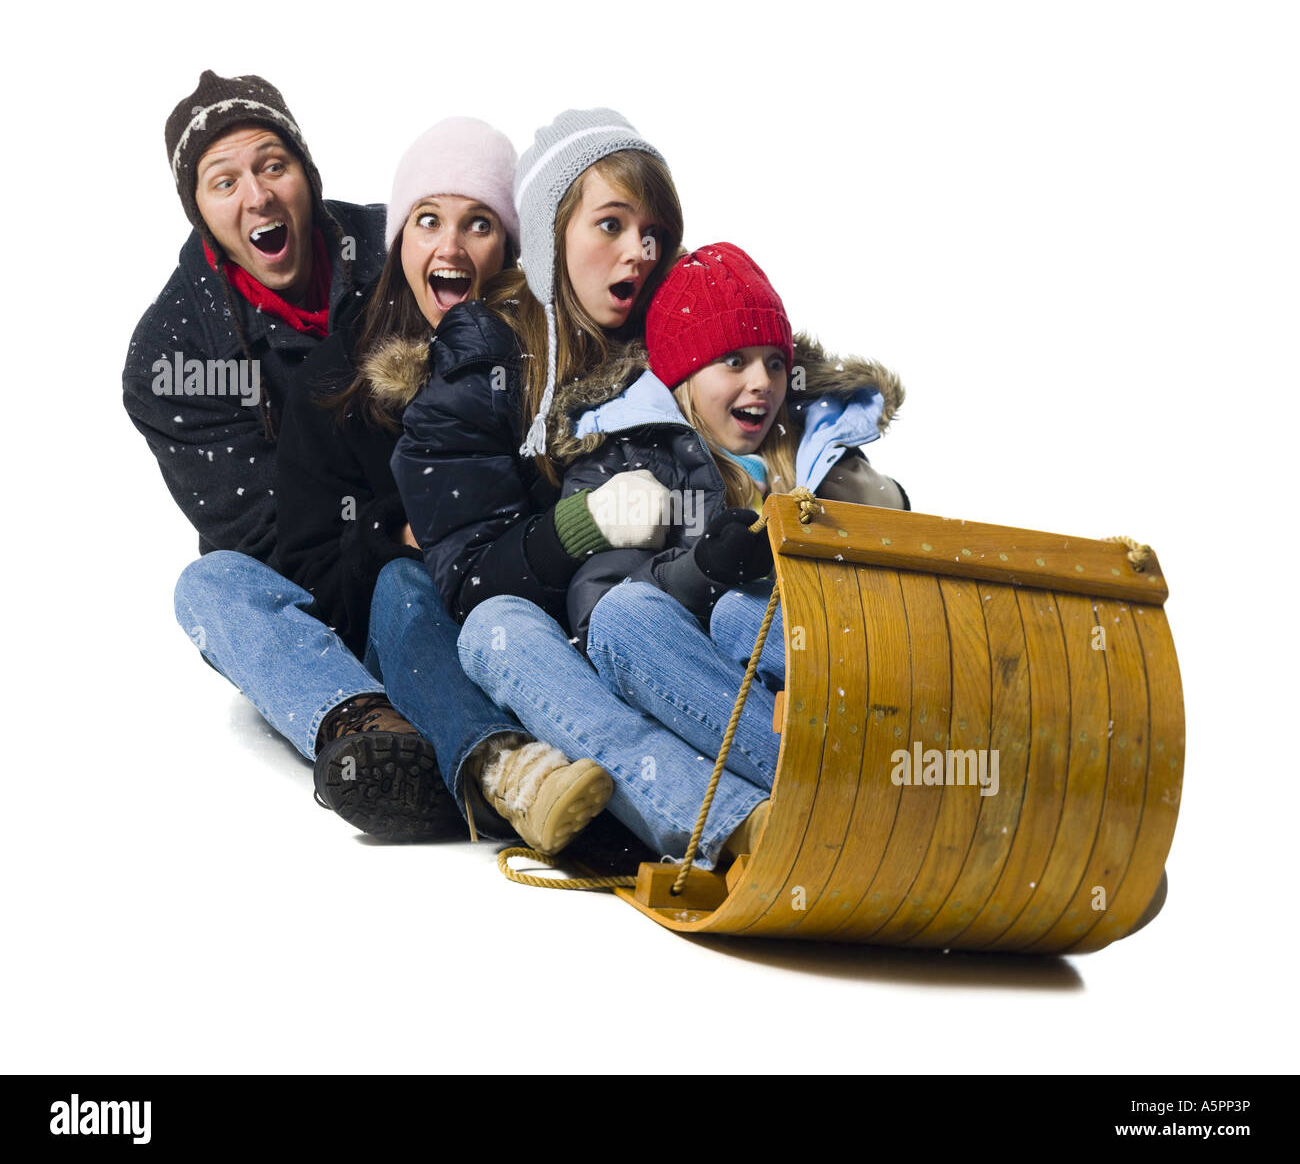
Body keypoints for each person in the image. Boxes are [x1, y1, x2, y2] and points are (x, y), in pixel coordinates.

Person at [455, 242, 909, 865]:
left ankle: (877, 781)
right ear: (683, 375)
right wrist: (705, 571)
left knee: (741, 616)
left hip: (838, 680)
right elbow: (598, 623)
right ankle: (818, 796)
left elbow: (903, 600)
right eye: (733, 361)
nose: (761, 383)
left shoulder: (819, 459)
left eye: (775, 363)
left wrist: (876, 504)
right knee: (645, 617)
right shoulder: (628, 456)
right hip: (711, 697)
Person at [122, 71, 448, 841]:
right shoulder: (172, 352)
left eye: (274, 165)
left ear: (306, 172)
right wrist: (391, 536)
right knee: (210, 586)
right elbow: (271, 539)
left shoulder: (400, 243)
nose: (258, 197)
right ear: (200, 212)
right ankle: (368, 732)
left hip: (464, 539)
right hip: (328, 590)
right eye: (224, 180)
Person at [275, 118, 611, 854]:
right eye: (428, 220)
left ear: (510, 249)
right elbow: (304, 572)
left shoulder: (549, 361)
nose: (450, 247)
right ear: (401, 241)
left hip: (524, 613)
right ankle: (509, 772)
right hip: (401, 638)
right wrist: (394, 537)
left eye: (479, 224)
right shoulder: (334, 380)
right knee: (398, 581)